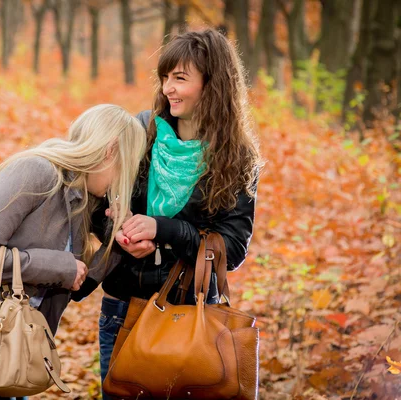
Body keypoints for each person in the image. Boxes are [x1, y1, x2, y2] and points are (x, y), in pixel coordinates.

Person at [72, 29, 262, 399]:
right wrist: (123, 235)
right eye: (164, 78)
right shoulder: (140, 132)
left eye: (179, 78)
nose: (167, 89)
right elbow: (95, 199)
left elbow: (233, 247)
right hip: (124, 308)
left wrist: (163, 230)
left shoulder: (238, 157)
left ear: (213, 83)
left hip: (192, 317)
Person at [0, 104, 147, 400]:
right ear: (110, 151)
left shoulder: (78, 197)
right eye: (124, 167)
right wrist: (59, 266)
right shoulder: (35, 171)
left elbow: (75, 285)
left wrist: (118, 245)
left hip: (14, 344)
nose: (120, 182)